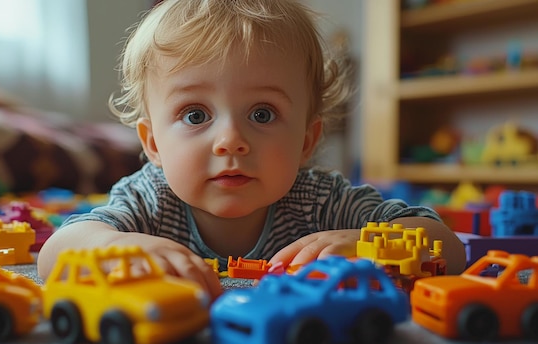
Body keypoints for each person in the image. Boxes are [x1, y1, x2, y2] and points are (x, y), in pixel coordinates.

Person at [37, 0, 466, 299]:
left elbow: (448, 246)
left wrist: (368, 245)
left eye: (262, 114)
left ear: (305, 142)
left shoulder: (319, 200)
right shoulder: (149, 200)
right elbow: (55, 254)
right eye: (195, 115)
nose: (230, 140)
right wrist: (115, 249)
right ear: (153, 144)